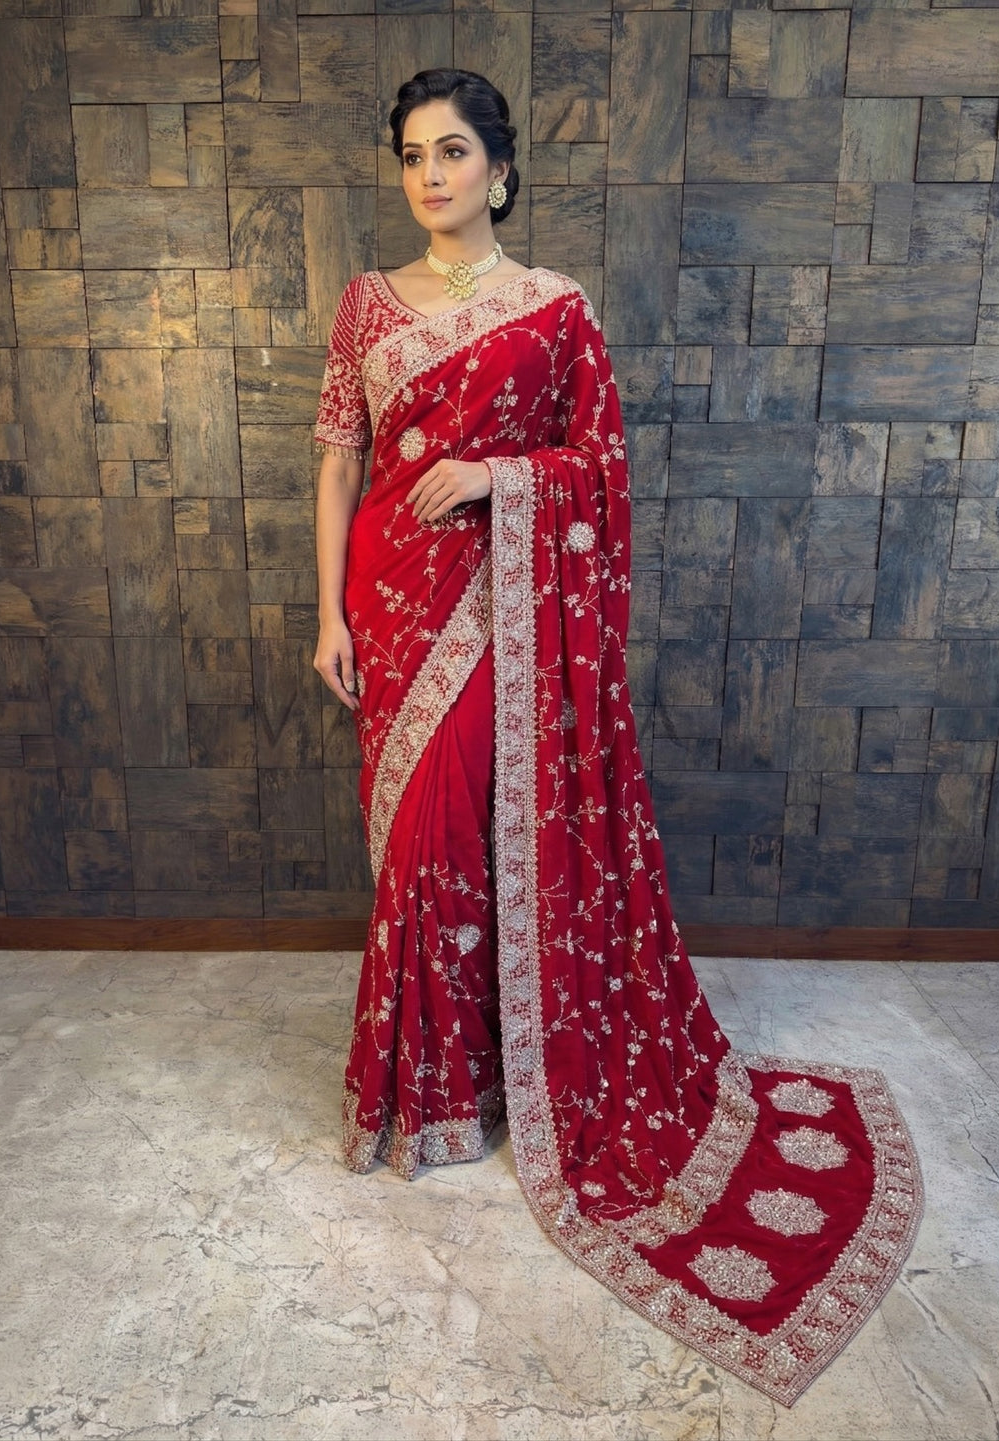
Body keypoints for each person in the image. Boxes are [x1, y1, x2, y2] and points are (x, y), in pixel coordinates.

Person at [312, 68, 921, 1405]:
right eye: (412, 154)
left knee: (453, 830)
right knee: (408, 838)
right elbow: (340, 462)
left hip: (497, 606)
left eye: (455, 151)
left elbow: (603, 463)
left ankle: (480, 1072)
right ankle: (435, 1084)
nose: (430, 175)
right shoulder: (365, 306)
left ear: (502, 171)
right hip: (391, 600)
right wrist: (327, 616)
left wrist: (496, 476)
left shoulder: (557, 312)